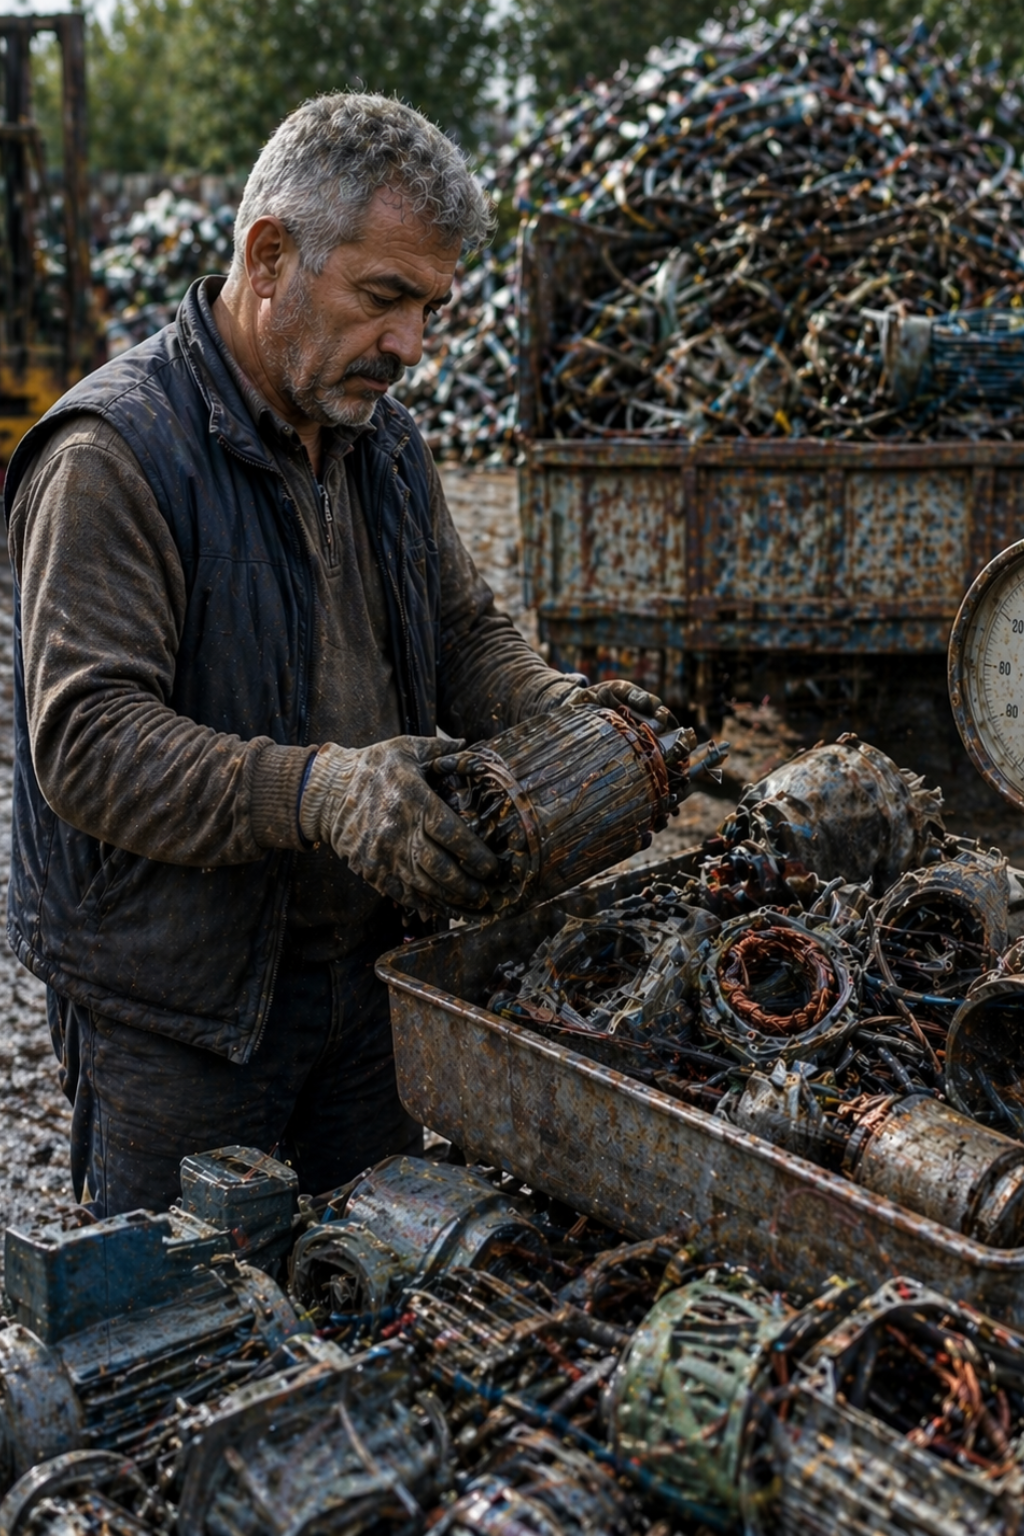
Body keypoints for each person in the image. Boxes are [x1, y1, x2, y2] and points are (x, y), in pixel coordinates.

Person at [5, 93, 667, 1216]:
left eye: (429, 308)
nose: (410, 345)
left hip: (366, 985)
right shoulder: (113, 455)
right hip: (184, 1016)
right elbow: (90, 743)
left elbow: (463, 637)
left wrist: (574, 719)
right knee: (184, 1341)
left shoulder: (382, 442)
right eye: (384, 298)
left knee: (371, 1295)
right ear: (270, 256)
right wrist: (320, 791)